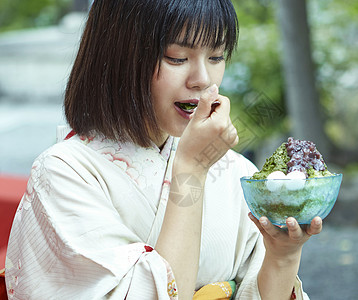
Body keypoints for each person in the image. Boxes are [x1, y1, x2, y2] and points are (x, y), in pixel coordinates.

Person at [5, 0, 322, 299]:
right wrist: (192, 171)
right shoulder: (65, 174)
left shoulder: (235, 171)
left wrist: (283, 254)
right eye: (177, 58)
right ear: (120, 57)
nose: (202, 79)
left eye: (216, 57)